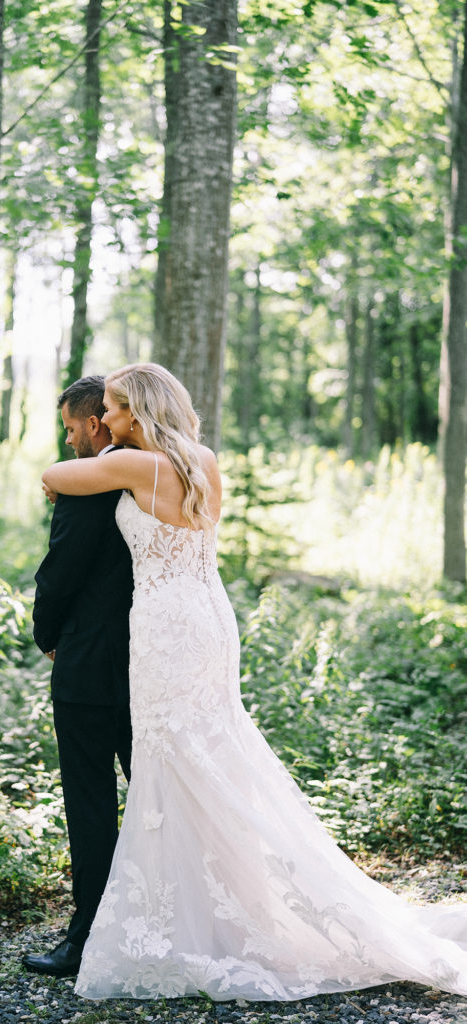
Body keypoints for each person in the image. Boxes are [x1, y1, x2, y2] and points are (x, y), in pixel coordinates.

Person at [40, 362, 467, 1001]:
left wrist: (80, 468)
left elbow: (54, 475)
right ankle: (219, 908)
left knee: (172, 760)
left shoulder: (138, 467)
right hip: (208, 616)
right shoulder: (199, 460)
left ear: (138, 411)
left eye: (116, 410)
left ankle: (172, 921)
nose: (107, 421)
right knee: (205, 757)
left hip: (166, 626)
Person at [22, 376, 133, 978]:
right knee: (156, 799)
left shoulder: (86, 486)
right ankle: (168, 921)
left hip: (89, 665)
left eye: (71, 427)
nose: (68, 441)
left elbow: (59, 572)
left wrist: (47, 635)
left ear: (95, 424)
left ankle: (87, 938)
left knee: (90, 805)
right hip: (153, 661)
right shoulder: (155, 474)